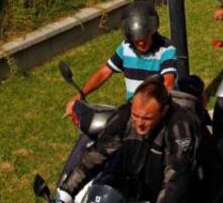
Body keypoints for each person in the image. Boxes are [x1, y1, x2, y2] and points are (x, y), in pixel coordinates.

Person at [57, 79, 200, 203]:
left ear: (164, 111)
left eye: (147, 118)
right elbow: (97, 153)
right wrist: (66, 191)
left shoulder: (179, 126)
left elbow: (177, 177)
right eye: (135, 115)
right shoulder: (125, 116)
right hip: (135, 190)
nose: (139, 123)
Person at [65, 2, 178, 120]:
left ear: (152, 30)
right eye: (136, 39)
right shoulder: (125, 48)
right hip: (133, 113)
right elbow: (104, 72)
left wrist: (151, 109)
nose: (141, 43)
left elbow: (168, 83)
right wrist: (80, 95)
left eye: (145, 37)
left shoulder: (166, 50)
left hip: (156, 114)